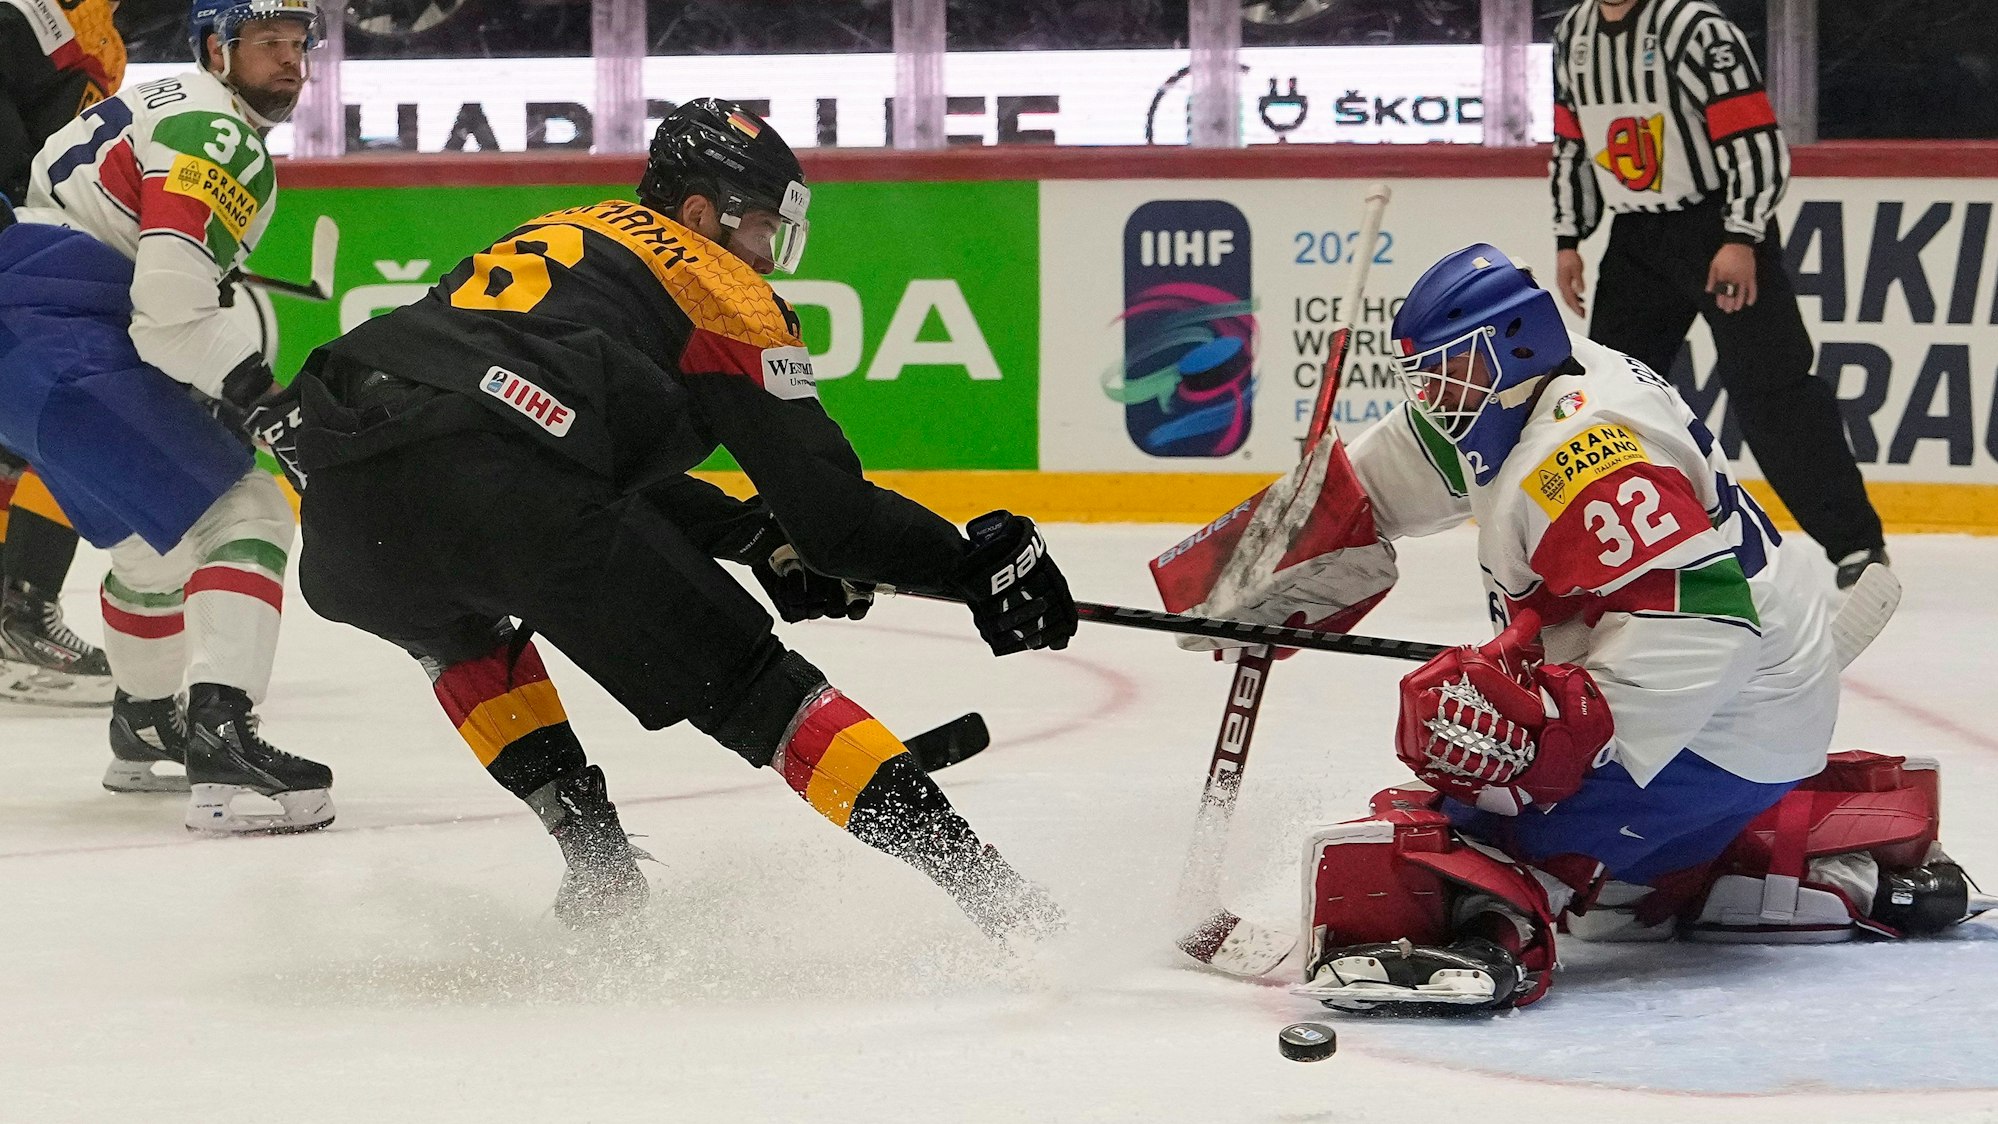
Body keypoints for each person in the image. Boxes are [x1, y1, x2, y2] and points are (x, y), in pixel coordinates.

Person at [268, 99, 1078, 935]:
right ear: (700, 213)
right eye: (762, 229)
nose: (767, 257)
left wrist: (752, 536)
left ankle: (599, 866)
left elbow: (521, 435)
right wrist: (972, 566)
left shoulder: (562, 230)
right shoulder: (719, 287)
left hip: (346, 494)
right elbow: (835, 519)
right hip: (507, 482)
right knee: (758, 692)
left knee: (451, 627)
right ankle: (1007, 906)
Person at [1283, 246, 1985, 1012]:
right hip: (1753, 689)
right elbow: (1402, 468)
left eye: (1452, 371)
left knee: (1471, 828)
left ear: (1514, 346)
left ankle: (1492, 935)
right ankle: (1783, 865)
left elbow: (1704, 622)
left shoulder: (1583, 456)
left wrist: (1562, 729)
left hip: (1722, 712)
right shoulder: (1537, 387)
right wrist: (1288, 549)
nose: (1436, 394)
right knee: (1610, 896)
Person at [0, 0, 333, 830]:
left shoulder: (146, 102)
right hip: (59, 339)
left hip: (26, 333)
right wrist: (264, 399)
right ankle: (224, 738)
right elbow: (171, 313)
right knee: (246, 510)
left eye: (297, 44)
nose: (288, 60)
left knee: (152, 548)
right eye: (266, 43)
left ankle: (145, 726)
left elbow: (65, 211)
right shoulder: (218, 135)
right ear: (216, 49)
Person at [1549, 0, 1888, 589]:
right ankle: (1628, 542)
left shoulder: (1697, 29)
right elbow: (1573, 143)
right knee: (1610, 394)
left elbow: (1753, 139)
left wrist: (1741, 235)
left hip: (1717, 226)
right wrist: (1568, 238)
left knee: (1772, 386)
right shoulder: (1573, 33)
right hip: (1635, 237)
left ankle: (1855, 541)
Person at [0, 0, 130, 705]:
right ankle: (21, 615)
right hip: (16, 245)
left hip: (28, 240)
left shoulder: (98, 25)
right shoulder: (30, 13)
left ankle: (12, 619)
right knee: (74, 410)